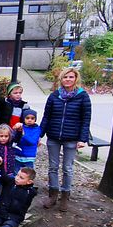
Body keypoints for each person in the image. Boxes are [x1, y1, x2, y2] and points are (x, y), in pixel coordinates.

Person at [40, 66, 91, 212]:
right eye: (65, 77)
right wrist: (40, 135)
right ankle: (53, 194)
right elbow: (46, 117)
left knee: (67, 168)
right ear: (61, 79)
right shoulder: (54, 96)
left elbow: (85, 119)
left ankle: (65, 196)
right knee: (52, 167)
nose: (68, 80)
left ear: (76, 79)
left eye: (71, 77)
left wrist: (82, 139)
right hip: (54, 136)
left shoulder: (82, 96)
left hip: (71, 138)